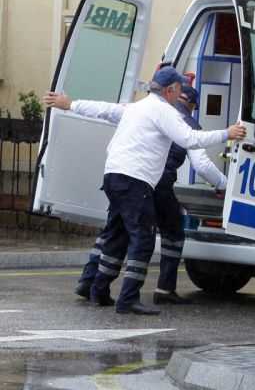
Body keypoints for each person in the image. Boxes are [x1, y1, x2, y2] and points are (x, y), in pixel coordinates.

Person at [43, 67, 246, 315]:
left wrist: (71, 105)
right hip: (135, 181)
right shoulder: (164, 111)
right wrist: (227, 134)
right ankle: (128, 299)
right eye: (179, 89)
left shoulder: (138, 107)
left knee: (116, 235)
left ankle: (98, 290)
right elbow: (190, 139)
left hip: (113, 176)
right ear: (171, 90)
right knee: (143, 239)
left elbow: (105, 110)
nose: (180, 93)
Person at [73, 83, 228, 305]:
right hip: (157, 183)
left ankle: (89, 281)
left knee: (113, 231)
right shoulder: (186, 123)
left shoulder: (143, 110)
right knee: (171, 232)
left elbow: (105, 110)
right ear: (192, 106)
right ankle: (163, 289)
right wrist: (223, 184)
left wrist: (71, 105)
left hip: (125, 177)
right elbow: (201, 165)